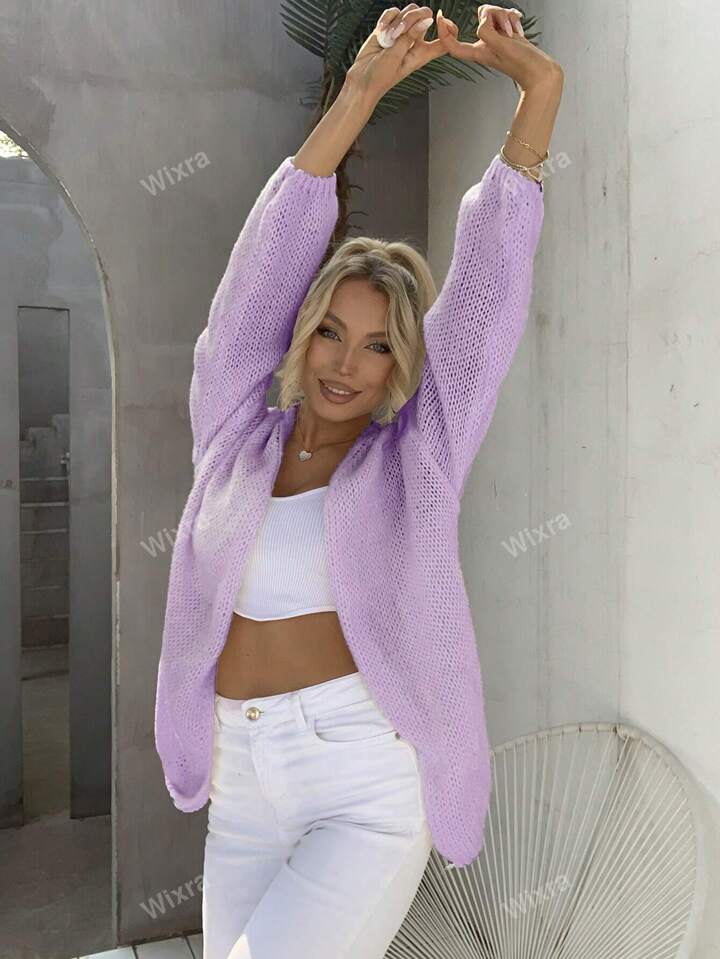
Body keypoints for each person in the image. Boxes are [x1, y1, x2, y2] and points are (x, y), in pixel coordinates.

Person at [153, 5, 563, 957]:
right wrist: (362, 92)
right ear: (301, 334)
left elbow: (488, 294)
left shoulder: (415, 461)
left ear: (401, 364)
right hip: (242, 782)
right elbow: (258, 275)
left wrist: (538, 99)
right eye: (332, 331)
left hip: (362, 783)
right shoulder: (232, 433)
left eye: (379, 345)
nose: (347, 362)